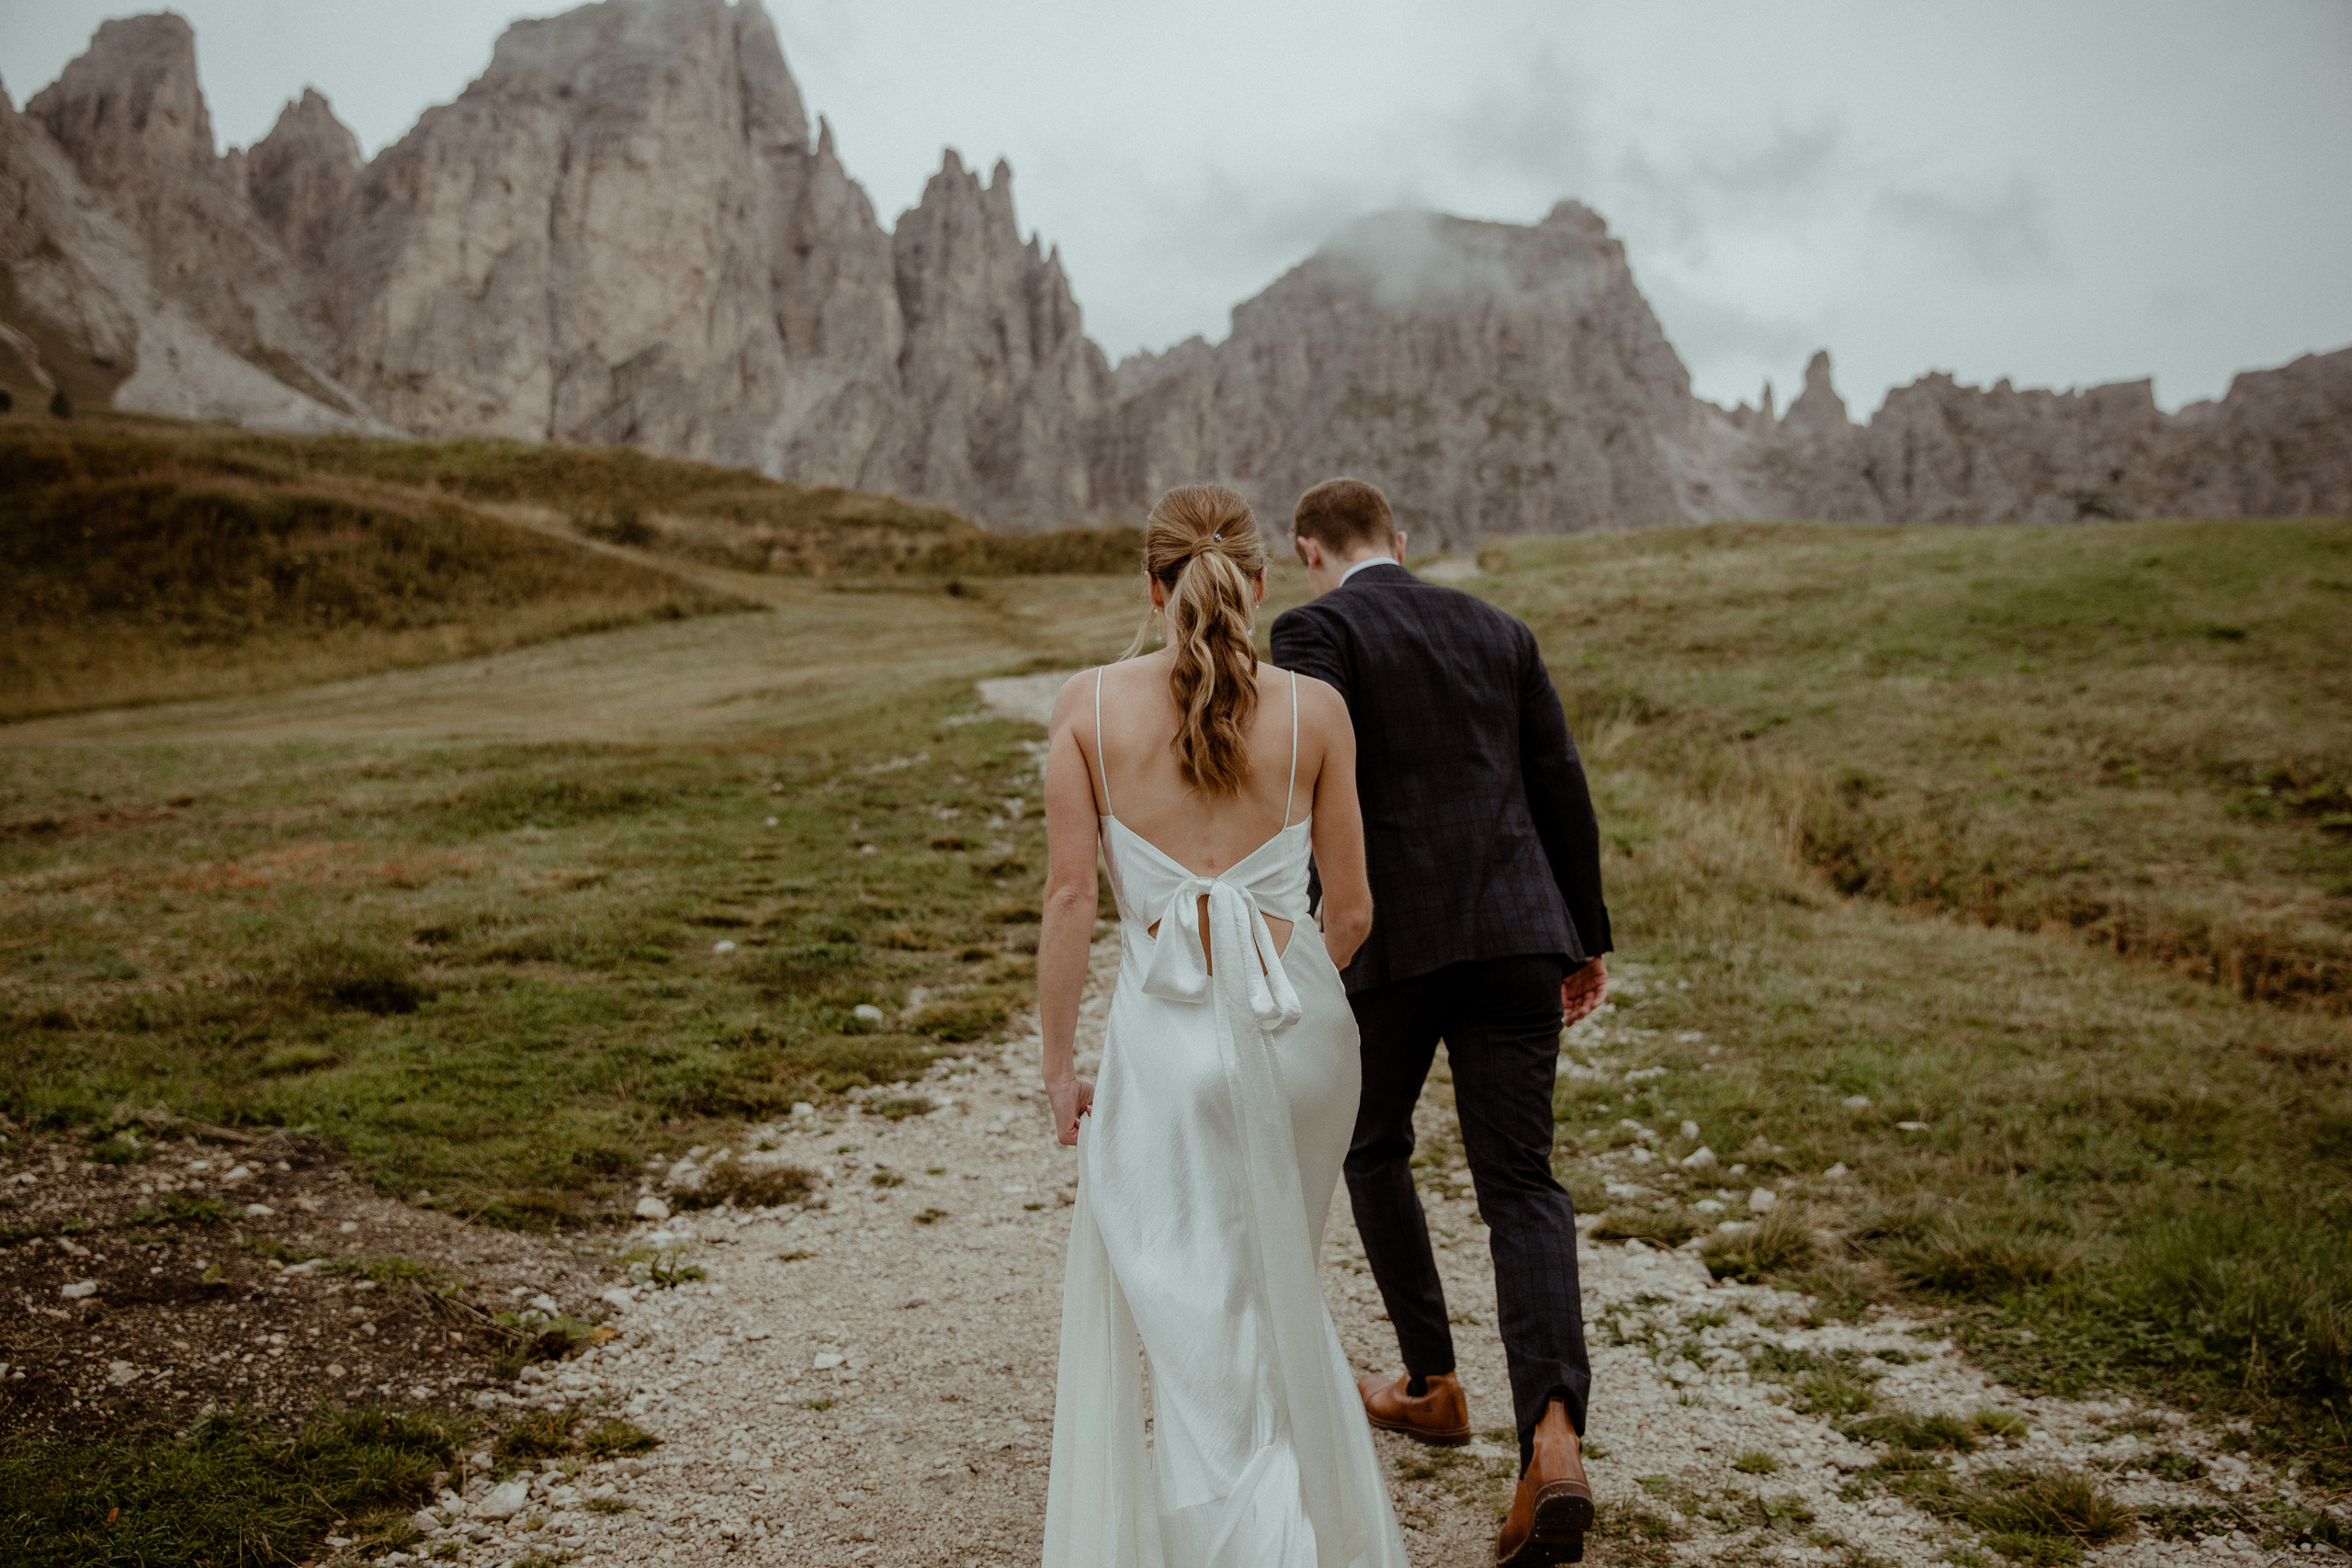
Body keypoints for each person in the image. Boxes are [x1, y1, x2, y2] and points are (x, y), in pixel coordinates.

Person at [1038, 484, 1410, 1568]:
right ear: (1257, 582)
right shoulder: (1316, 711)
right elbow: (1351, 912)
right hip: (1303, 1043)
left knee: (1199, 1317)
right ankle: (1278, 1512)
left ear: (1151, 587)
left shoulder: (1084, 708)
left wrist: (1059, 1069)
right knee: (1271, 1286)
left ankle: (1252, 1533)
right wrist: (1287, 994)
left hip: (1167, 1045)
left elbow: (1069, 900)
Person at [1271, 478, 1612, 1568]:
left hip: (1388, 944)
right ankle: (1551, 1441)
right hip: (1518, 934)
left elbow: (1298, 775)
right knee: (1521, 1182)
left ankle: (1432, 1382)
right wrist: (1582, 935)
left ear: (1307, 550)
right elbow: (1559, 784)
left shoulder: (1313, 631)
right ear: (1401, 540)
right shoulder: (1498, 628)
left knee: (1372, 1146)